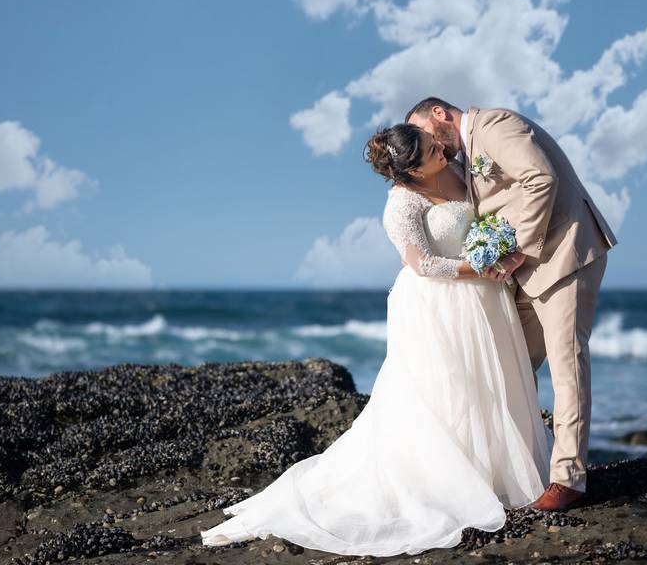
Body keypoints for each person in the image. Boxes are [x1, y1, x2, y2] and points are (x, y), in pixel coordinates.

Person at [200, 123, 551, 556]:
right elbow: (423, 265)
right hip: (439, 305)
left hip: (484, 301)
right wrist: (480, 265)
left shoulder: (458, 167)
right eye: (429, 150)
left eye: (433, 142)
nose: (440, 148)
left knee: (488, 386)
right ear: (413, 173)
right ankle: (450, 482)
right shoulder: (400, 206)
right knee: (447, 391)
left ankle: (495, 472)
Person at [404, 97, 617, 510]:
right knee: (509, 365)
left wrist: (515, 249)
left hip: (563, 254)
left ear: (439, 115)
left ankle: (568, 481)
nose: (432, 147)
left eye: (426, 135)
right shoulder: (465, 154)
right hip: (527, 271)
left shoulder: (495, 125)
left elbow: (541, 178)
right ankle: (521, 468)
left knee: (566, 365)